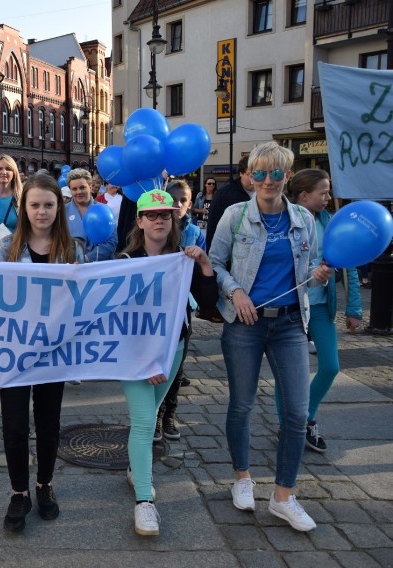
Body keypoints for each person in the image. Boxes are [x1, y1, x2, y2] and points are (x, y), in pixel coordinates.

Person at [210, 142, 333, 533]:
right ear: (251, 176)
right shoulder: (235, 215)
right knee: (242, 405)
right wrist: (235, 290)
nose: (266, 181)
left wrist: (317, 274)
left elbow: (311, 262)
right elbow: (215, 264)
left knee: (297, 413)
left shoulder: (303, 219)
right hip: (244, 325)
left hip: (291, 325)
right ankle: (242, 478)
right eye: (259, 173)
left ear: (286, 176)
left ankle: (283, 496)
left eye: (275, 174)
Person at [117, 189, 216, 536]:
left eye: (166, 215)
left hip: (173, 353)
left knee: (151, 414)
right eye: (152, 215)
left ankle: (135, 467)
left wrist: (204, 265)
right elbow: (119, 322)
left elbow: (205, 304)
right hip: (136, 359)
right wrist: (147, 361)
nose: (159, 220)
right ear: (140, 221)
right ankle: (145, 501)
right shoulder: (125, 262)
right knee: (145, 423)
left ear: (173, 220)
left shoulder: (182, 259)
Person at [0, 173, 84, 533]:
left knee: (48, 426)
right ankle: (19, 491)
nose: (42, 212)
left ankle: (45, 485)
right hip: (14, 353)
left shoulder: (71, 249)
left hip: (54, 353)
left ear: (58, 208)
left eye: (48, 205)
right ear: (24, 208)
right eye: (34, 205)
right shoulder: (6, 249)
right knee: (14, 427)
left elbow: (88, 296)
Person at [282, 168, 362, 452]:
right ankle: (289, 427)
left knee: (330, 366)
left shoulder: (330, 221)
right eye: (323, 192)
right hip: (290, 308)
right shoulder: (284, 219)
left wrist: (354, 308)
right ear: (304, 196)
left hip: (319, 307)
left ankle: (306, 417)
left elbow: (348, 264)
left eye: (328, 192)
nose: (329, 197)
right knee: (289, 375)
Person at [153, 179, 207, 442]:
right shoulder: (156, 227)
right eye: (172, 200)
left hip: (181, 309)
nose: (177, 205)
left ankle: (169, 414)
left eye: (183, 200)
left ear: (190, 202)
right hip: (155, 309)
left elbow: (201, 276)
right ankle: (153, 414)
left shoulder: (195, 234)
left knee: (177, 365)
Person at [64, 168, 118, 262]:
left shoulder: (105, 210)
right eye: (74, 189)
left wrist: (87, 258)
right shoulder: (62, 212)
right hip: (72, 267)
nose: (79, 192)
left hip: (100, 267)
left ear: (90, 186)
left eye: (82, 187)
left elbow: (112, 241)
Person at [205, 155, 252, 251]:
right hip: (232, 252)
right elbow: (213, 227)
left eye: (259, 174)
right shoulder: (224, 195)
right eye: (250, 174)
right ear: (241, 173)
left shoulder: (265, 193)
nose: (254, 179)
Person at [0, 154, 21, 241]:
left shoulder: (21, 198)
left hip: (13, 250)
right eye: (0, 169)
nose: (4, 172)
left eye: (8, 169)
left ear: (14, 174)